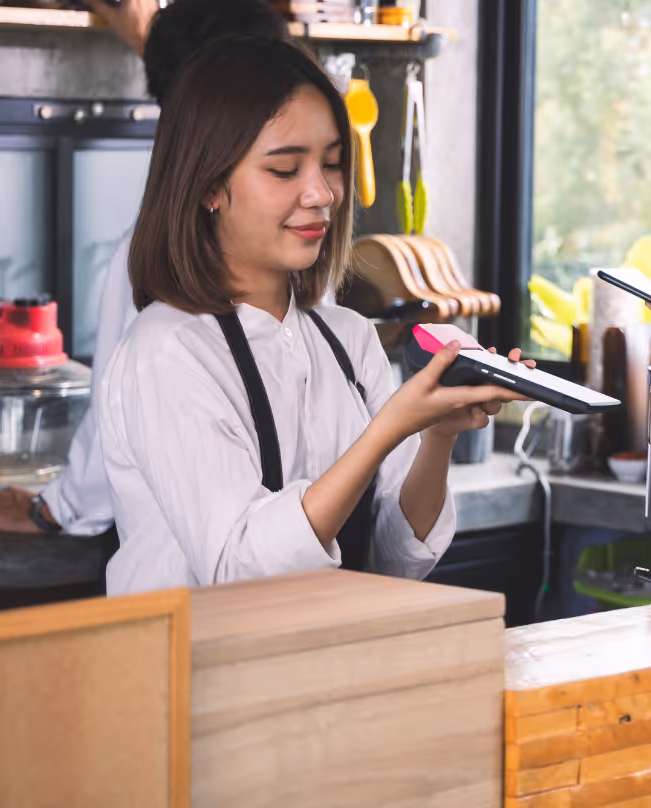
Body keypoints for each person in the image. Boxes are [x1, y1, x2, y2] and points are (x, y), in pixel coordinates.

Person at [100, 36, 525, 593]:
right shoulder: (168, 350)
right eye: (284, 170)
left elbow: (394, 558)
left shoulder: (347, 338)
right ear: (208, 186)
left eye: (331, 164)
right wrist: (387, 429)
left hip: (326, 663)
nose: (322, 193)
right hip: (198, 672)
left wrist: (437, 435)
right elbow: (236, 569)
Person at [0, 0, 290, 536]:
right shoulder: (305, 229)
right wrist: (155, 42)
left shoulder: (163, 249)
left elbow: (117, 419)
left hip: (190, 574)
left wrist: (53, 509)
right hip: (299, 552)